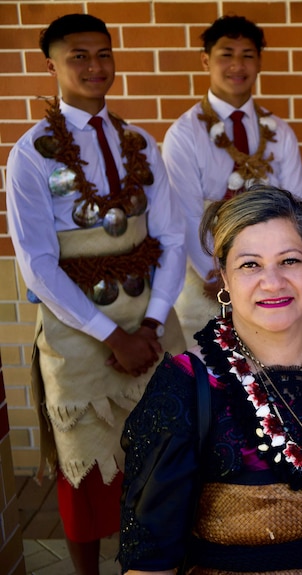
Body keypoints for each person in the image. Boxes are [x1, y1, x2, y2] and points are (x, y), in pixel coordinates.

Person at [118, 186, 302, 574]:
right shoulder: (187, 386)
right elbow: (151, 562)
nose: (273, 281)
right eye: (250, 264)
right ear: (224, 279)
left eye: (290, 260)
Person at [5, 14, 186, 575]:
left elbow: (172, 235)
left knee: (165, 454)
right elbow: (36, 265)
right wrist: (111, 335)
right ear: (51, 64)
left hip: (150, 320)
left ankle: (160, 562)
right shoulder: (31, 154)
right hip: (78, 328)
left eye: (102, 54)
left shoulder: (139, 143)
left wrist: (151, 325)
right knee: (82, 464)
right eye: (78, 55)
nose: (93, 66)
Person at [163, 15, 302, 347]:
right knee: (210, 380)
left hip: (272, 284)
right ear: (206, 60)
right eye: (226, 54)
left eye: (247, 55)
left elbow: (298, 209)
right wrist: (222, 279)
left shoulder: (279, 132)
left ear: (259, 63)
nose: (237, 65)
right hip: (207, 281)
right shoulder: (184, 135)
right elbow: (185, 216)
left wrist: (281, 273)